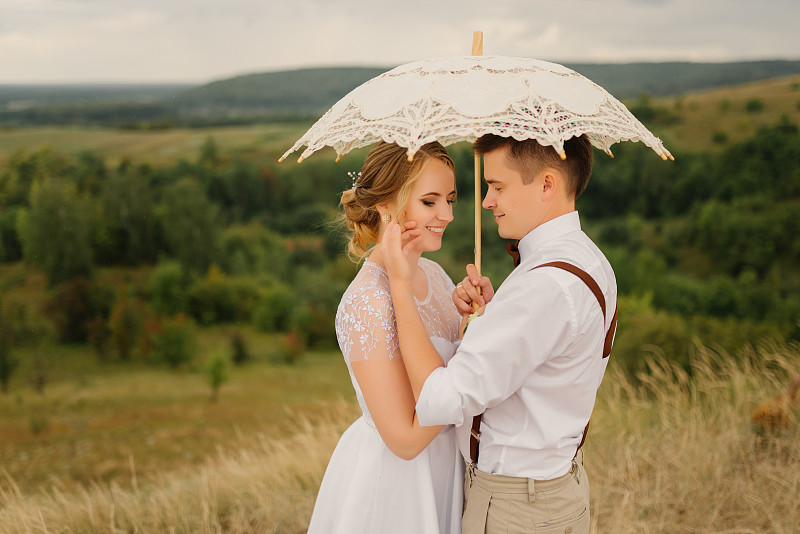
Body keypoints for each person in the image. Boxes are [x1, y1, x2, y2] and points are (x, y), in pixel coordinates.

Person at [382, 134, 617, 534]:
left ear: (547, 184)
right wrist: (491, 320)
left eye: (497, 187)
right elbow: (534, 354)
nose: (487, 201)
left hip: (515, 508)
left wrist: (400, 286)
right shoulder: (584, 257)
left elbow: (440, 399)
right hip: (553, 491)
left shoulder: (544, 287)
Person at [306, 141, 464, 534]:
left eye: (450, 199)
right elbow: (405, 441)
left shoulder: (439, 277)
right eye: (430, 201)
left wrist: (472, 319)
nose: (447, 214)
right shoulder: (366, 303)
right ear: (388, 206)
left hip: (448, 471)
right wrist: (477, 361)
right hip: (399, 488)